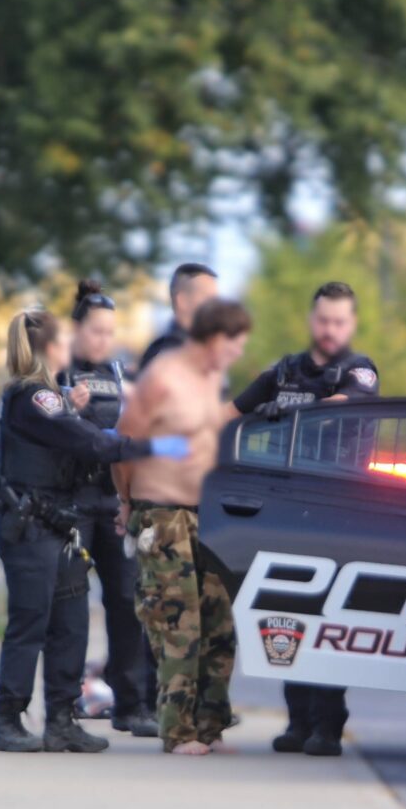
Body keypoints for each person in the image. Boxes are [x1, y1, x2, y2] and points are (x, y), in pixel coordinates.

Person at [0, 309, 189, 753]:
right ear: (50, 348)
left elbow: (76, 437)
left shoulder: (50, 397)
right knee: (30, 623)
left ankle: (62, 720)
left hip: (57, 526)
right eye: (63, 341)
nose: (70, 347)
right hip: (32, 528)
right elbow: (91, 442)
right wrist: (156, 447)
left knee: (72, 623)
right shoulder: (33, 396)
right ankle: (9, 719)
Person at [229, 281, 379, 758]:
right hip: (287, 513)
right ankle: (297, 721)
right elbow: (229, 414)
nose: (330, 329)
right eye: (324, 320)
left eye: (339, 322)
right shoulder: (284, 371)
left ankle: (328, 726)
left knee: (328, 618)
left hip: (337, 514)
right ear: (312, 321)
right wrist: (253, 420)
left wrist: (292, 415)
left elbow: (344, 406)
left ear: (351, 325)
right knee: (286, 616)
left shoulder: (359, 369)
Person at [114, 299, 251, 756]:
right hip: (162, 514)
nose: (236, 354)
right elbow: (124, 445)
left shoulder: (209, 380)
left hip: (204, 515)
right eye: (233, 345)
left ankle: (210, 725)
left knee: (219, 625)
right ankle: (177, 731)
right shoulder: (161, 379)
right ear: (213, 339)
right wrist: (127, 503)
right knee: (179, 627)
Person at [59, 281, 156, 737]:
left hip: (111, 500)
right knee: (70, 609)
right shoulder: (59, 369)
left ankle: (131, 705)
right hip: (72, 503)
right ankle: (63, 707)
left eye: (109, 332)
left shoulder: (117, 371)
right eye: (96, 331)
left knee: (127, 602)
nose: (103, 340)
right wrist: (66, 407)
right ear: (77, 329)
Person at [139, 263, 218, 371]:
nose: (216, 306)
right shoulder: (170, 354)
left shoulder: (200, 348)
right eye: (208, 298)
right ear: (182, 300)